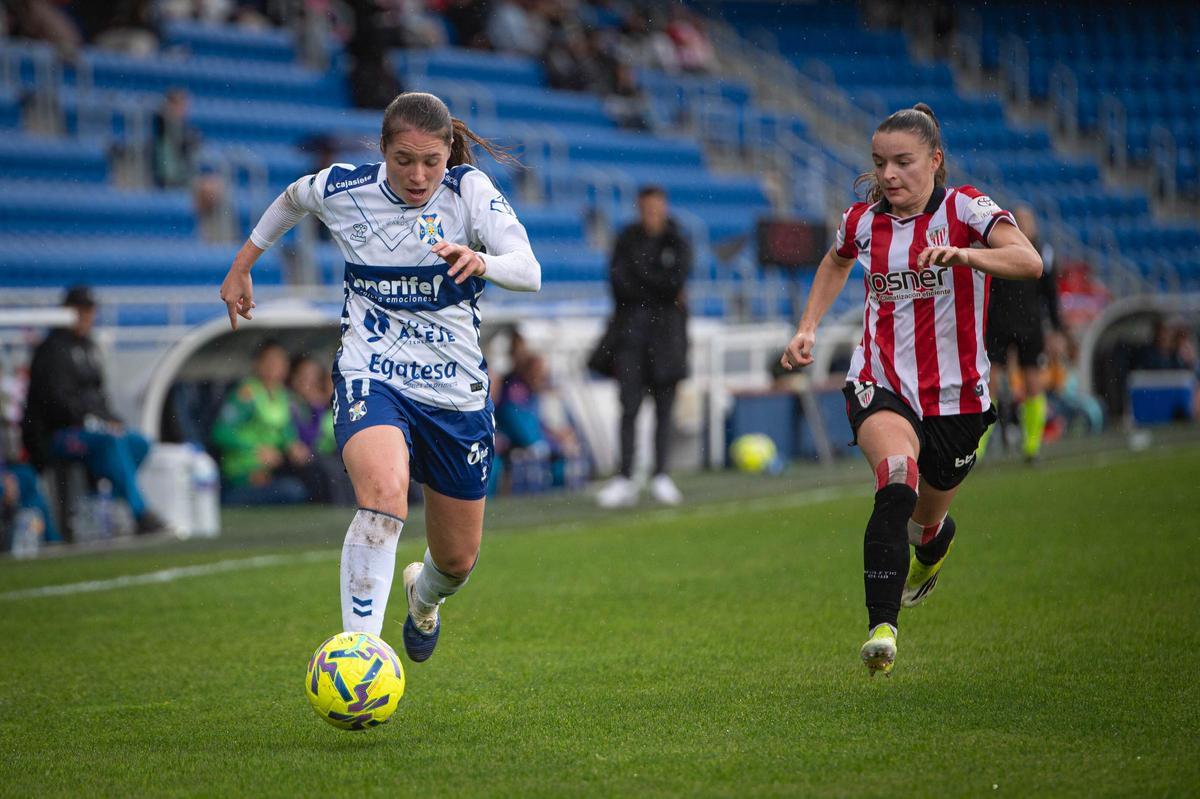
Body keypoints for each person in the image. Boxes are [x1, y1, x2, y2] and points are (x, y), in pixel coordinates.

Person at [218, 91, 541, 664]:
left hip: (454, 391)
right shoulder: (345, 188)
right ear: (383, 151)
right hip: (373, 374)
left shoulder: (469, 192)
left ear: (448, 156)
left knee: (458, 561)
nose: (418, 175)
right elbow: (293, 197)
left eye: (431, 162)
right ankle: (361, 653)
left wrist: (484, 261)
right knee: (384, 494)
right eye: (403, 160)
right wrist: (244, 262)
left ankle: (423, 598)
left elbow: (530, 269)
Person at [779, 103, 1042, 676]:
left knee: (926, 520)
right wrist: (807, 326)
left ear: (935, 159)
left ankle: (933, 545)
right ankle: (882, 630)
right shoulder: (861, 221)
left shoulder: (965, 208)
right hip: (880, 381)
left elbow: (1030, 260)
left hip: (959, 400)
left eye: (903, 162)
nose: (889, 174)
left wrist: (968, 254)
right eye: (879, 163)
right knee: (895, 481)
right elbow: (834, 261)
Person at [21, 286, 168, 536]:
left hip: (91, 431)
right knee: (110, 444)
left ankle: (97, 504)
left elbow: (98, 397)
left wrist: (111, 420)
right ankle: (139, 512)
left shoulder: (89, 348)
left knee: (138, 443)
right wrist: (94, 421)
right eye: (82, 311)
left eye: (90, 311)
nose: (87, 317)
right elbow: (57, 403)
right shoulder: (52, 350)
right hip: (58, 435)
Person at [595, 185, 691, 508]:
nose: (652, 215)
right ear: (639, 208)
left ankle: (661, 475)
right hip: (631, 339)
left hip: (667, 341)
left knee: (665, 410)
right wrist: (660, 285)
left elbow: (675, 280)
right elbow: (619, 284)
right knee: (629, 408)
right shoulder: (626, 239)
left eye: (657, 209)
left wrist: (644, 280)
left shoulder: (678, 239)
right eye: (647, 209)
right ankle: (626, 477)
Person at [978, 205, 1063, 463]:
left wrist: (1057, 330)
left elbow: (1051, 296)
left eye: (1029, 221)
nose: (1026, 226)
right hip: (999, 323)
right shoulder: (1000, 249)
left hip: (1030, 325)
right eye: (1021, 221)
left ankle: (1031, 446)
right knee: (990, 382)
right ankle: (977, 449)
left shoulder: (1043, 254)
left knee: (1032, 382)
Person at [210, 339, 310, 505]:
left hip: (273, 468)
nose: (274, 367)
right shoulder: (246, 394)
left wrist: (292, 444)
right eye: (269, 361)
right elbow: (221, 433)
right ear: (258, 364)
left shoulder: (283, 395)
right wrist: (256, 450)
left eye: (279, 362)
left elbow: (284, 429)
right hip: (242, 472)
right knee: (293, 492)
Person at [288, 353, 355, 505]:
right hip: (307, 459)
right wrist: (317, 407)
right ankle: (339, 510)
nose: (309, 382)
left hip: (324, 455)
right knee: (332, 470)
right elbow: (309, 437)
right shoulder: (292, 403)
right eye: (304, 377)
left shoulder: (322, 406)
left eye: (314, 377)